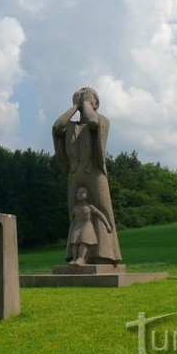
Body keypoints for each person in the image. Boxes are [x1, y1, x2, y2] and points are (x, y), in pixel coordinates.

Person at [52, 86, 122, 264]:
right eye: (78, 99)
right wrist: (76, 107)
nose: (82, 102)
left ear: (95, 104)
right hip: (74, 172)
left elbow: (92, 122)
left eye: (87, 99)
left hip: (94, 171)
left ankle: (106, 254)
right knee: (75, 213)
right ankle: (76, 256)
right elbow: (57, 126)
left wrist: (86, 104)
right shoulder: (70, 126)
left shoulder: (102, 120)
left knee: (102, 208)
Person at [68, 187, 112, 265]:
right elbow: (72, 220)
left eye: (82, 192)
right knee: (74, 242)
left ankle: (81, 258)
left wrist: (107, 225)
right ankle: (74, 258)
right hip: (77, 226)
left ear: (87, 196)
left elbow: (101, 215)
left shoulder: (90, 206)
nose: (79, 194)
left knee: (83, 241)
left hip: (87, 225)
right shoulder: (75, 208)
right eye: (78, 193)